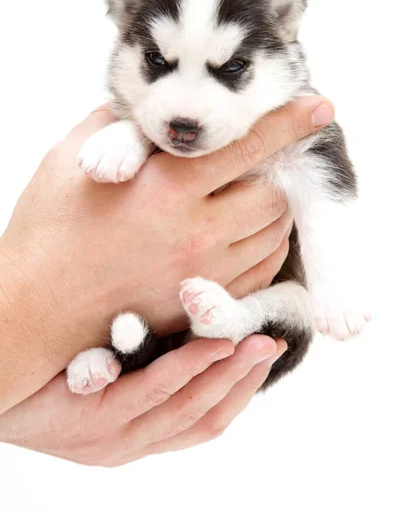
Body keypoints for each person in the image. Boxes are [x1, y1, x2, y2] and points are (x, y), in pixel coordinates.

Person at [0, 96, 334, 466]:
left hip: (238, 321)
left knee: (294, 310)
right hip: (141, 342)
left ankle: (152, 344)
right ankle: (127, 351)